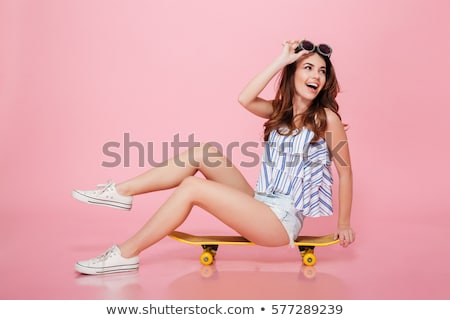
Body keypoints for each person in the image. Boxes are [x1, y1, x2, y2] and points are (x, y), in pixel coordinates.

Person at [72, 39, 355, 275]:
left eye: (322, 71)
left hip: (280, 222)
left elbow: (345, 173)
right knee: (204, 152)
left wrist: (343, 224)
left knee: (193, 188)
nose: (316, 76)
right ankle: (122, 192)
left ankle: (126, 253)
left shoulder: (326, 119)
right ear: (293, 73)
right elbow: (245, 98)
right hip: (260, 202)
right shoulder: (279, 112)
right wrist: (281, 60)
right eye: (308, 68)